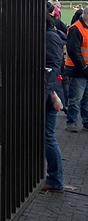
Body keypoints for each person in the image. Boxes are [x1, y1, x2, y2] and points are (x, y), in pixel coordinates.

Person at [44, 15, 66, 191]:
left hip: (49, 96)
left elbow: (52, 68)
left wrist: (44, 95)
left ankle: (55, 179)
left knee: (48, 136)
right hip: (50, 93)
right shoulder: (51, 35)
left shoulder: (49, 37)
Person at [64, 5, 88, 132]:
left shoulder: (81, 28)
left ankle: (85, 121)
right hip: (78, 69)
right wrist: (83, 66)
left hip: (83, 68)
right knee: (76, 98)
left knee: (85, 98)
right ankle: (71, 122)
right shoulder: (76, 29)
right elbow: (73, 51)